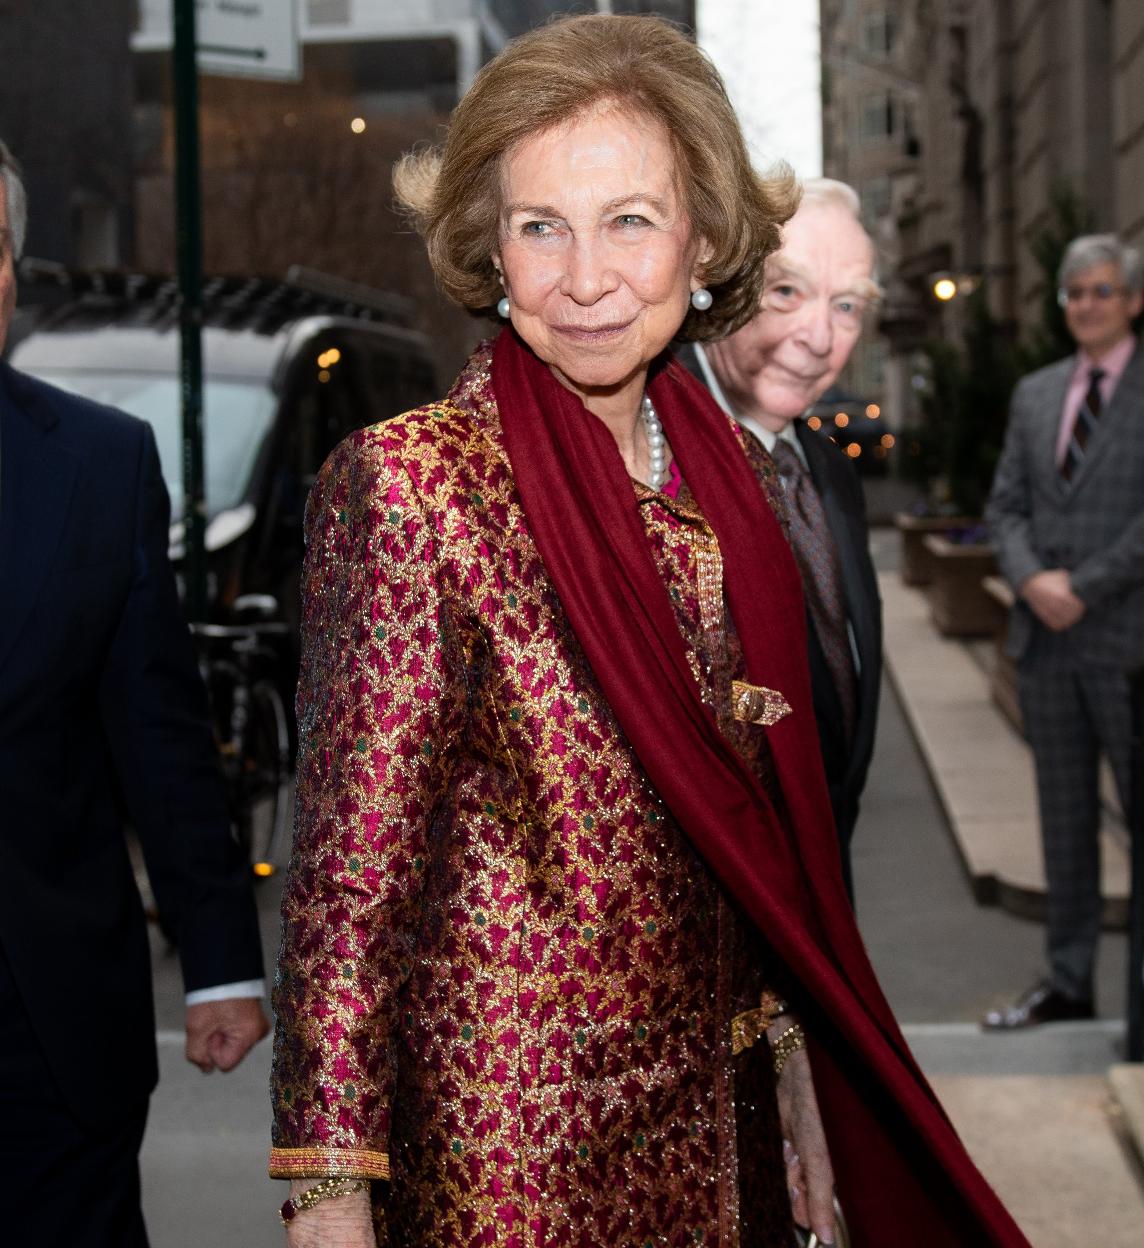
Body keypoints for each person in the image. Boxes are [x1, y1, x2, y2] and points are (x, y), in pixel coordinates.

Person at [269, 16, 1029, 1247]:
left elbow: (759, 854)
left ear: (709, 238)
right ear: (488, 245)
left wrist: (794, 1069)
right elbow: (350, 887)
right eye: (539, 227)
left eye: (630, 219)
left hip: (725, 1144)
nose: (584, 279)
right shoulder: (415, 486)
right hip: (510, 1165)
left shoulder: (731, 482)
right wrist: (328, 1198)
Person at [0, 139, 269, 1246]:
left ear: (14, 272)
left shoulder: (100, 465)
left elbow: (158, 733)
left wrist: (219, 965)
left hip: (51, 1040)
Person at [983, 233, 1144, 1051]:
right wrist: (1032, 579)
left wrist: (1081, 587)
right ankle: (1069, 982)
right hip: (1048, 645)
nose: (1087, 304)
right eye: (1075, 292)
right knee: (1064, 818)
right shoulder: (1037, 394)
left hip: (1136, 643)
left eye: (1103, 291)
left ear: (1134, 300)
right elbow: (1004, 506)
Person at [682, 179, 883, 901]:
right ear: (724, 284)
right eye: (788, 293)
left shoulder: (825, 470)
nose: (821, 339)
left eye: (848, 305)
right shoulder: (650, 459)